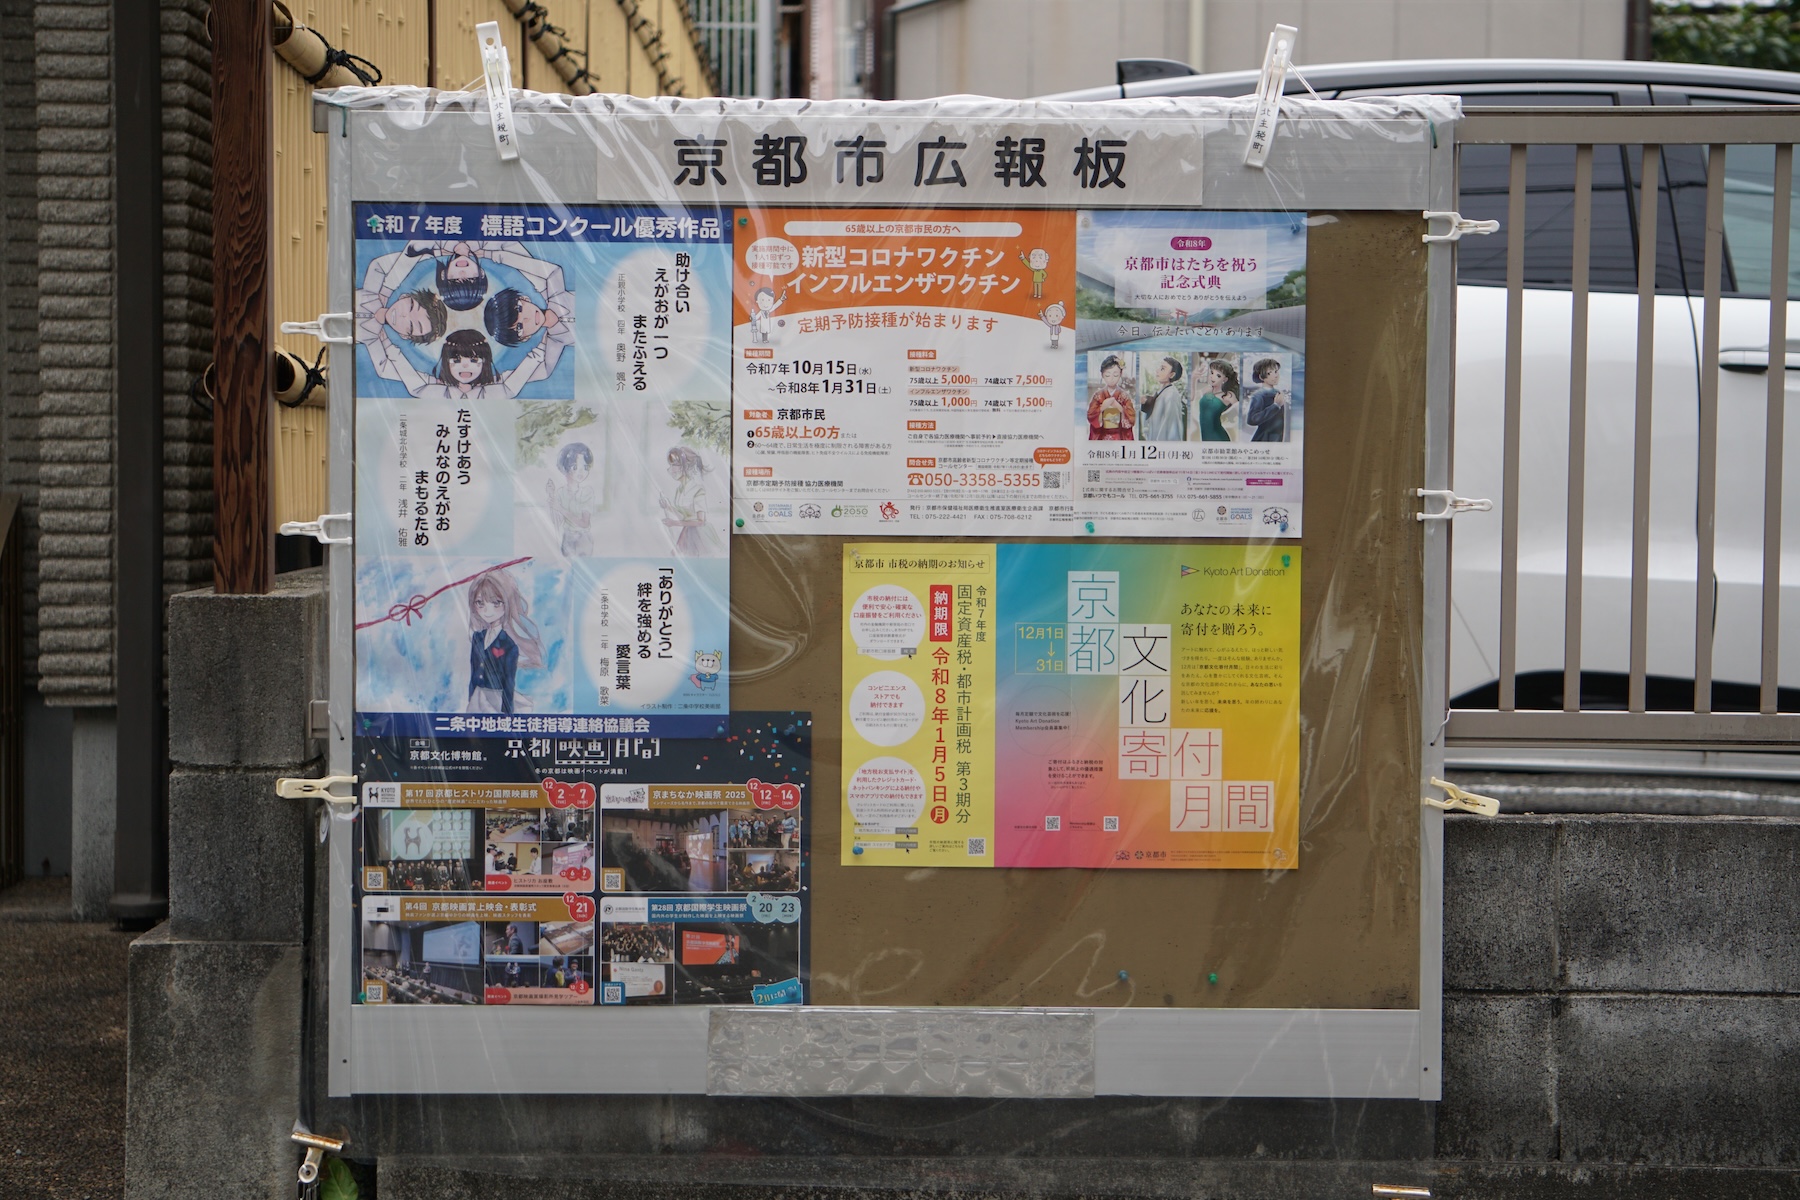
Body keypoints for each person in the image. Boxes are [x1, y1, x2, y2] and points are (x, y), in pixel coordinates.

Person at [465, 568, 545, 714]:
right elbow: (473, 671)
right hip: (477, 696)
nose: (487, 611)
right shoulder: (478, 638)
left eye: (496, 603)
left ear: (507, 603)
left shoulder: (509, 645)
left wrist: (506, 713)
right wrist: (471, 698)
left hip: (497, 699)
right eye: (480, 603)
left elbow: (508, 682)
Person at [659, 446, 723, 556]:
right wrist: (668, 507)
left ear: (686, 466)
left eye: (675, 464)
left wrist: (674, 523)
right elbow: (684, 517)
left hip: (699, 534)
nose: (672, 469)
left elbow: (701, 521)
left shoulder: (697, 489)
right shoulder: (679, 490)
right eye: (671, 465)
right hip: (687, 532)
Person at [545, 442, 597, 557]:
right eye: (575, 467)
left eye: (585, 467)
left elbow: (584, 523)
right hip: (567, 537)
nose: (581, 472)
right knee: (568, 564)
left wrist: (560, 509)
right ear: (565, 468)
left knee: (584, 564)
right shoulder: (561, 493)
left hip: (583, 538)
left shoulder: (587, 492)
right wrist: (551, 495)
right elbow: (556, 521)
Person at [1086, 355, 1136, 441]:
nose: (1111, 379)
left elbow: (1132, 418)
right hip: (1102, 435)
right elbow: (1090, 415)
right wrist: (1102, 407)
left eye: (1115, 375)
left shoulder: (1124, 396)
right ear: (1102, 375)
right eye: (1107, 375)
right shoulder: (1098, 395)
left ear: (1120, 374)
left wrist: (1120, 408)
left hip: (1119, 436)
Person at [1139, 356, 1188, 441]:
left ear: (1172, 375)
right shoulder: (1162, 392)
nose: (1157, 370)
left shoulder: (1171, 394)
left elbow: (1171, 427)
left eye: (1162, 369)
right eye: (1159, 367)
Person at [1190, 358, 1239, 442]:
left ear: (1225, 379)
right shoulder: (1208, 389)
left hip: (1218, 437)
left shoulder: (1228, 395)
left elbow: (1241, 413)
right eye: (1212, 373)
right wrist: (1193, 379)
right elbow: (1191, 397)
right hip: (1205, 435)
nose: (1212, 377)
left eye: (1218, 375)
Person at [1243, 357, 1291, 442]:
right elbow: (1252, 420)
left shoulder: (1278, 393)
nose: (1275, 375)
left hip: (1277, 439)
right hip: (1263, 439)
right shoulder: (1259, 396)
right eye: (1269, 373)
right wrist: (1275, 406)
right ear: (1261, 377)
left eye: (1276, 371)